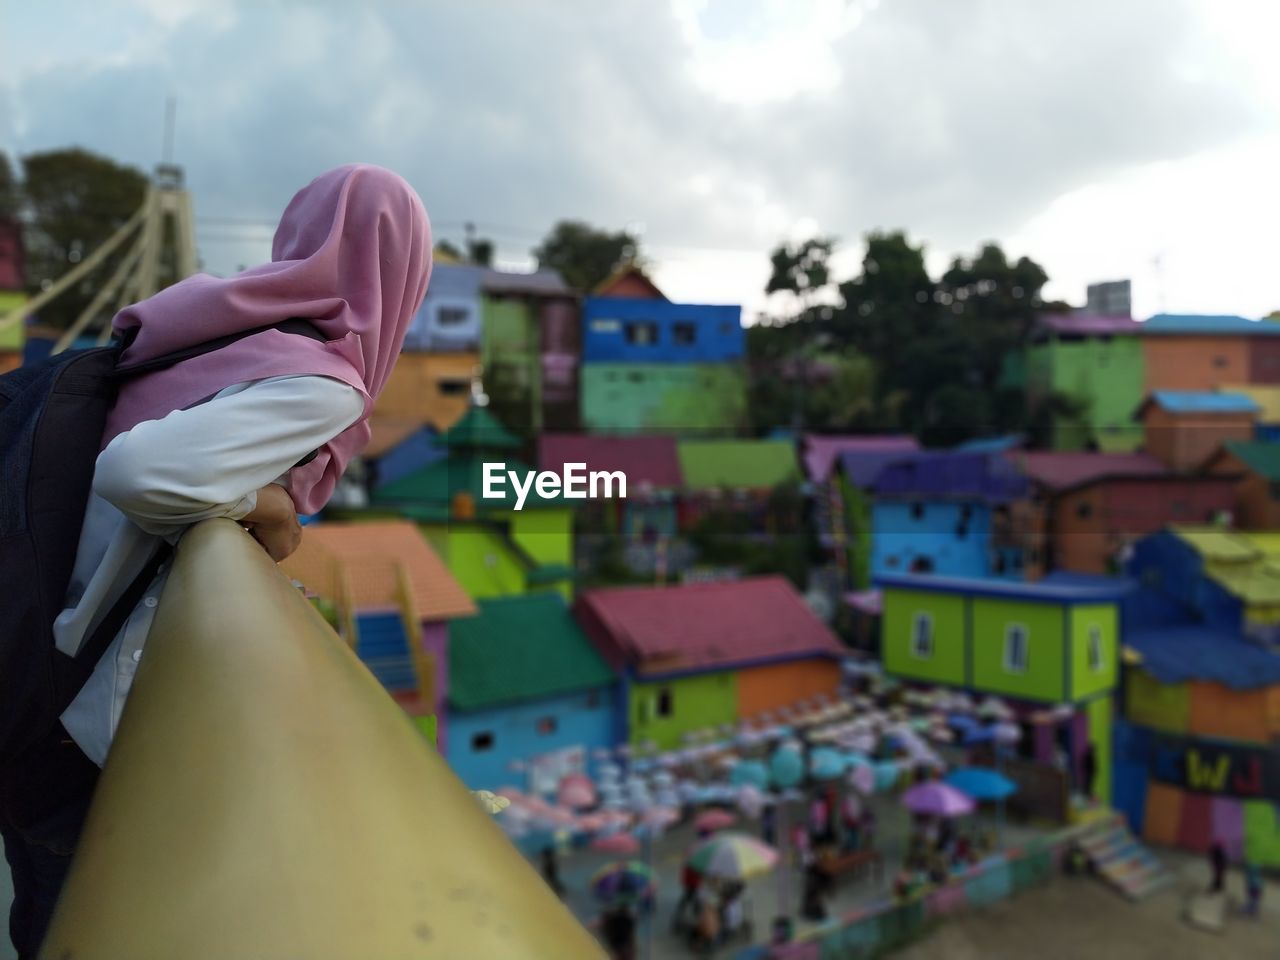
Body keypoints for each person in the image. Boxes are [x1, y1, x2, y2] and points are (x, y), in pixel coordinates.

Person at [0, 164, 430, 960]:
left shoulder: (208, 329)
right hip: (81, 715)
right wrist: (268, 505)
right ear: (404, 272)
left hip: (27, 672)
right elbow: (137, 473)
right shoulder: (320, 383)